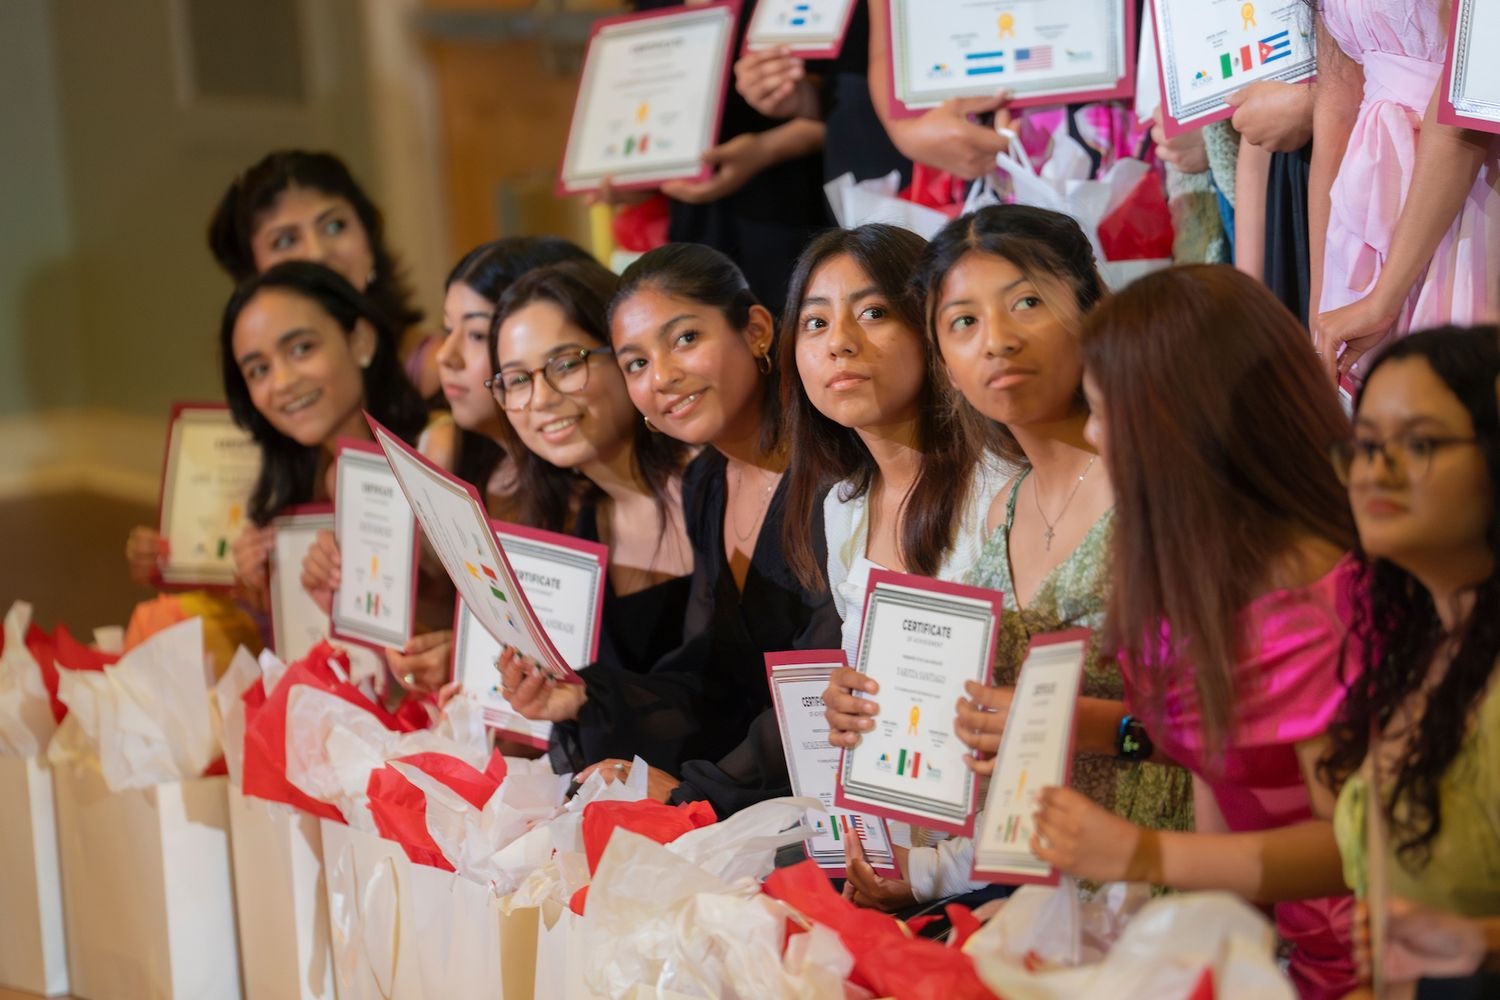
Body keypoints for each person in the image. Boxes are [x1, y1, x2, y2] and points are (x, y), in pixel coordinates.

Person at [823, 205, 1193, 910]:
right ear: (947, 367)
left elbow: (1240, 732)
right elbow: (1003, 763)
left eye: (1027, 302)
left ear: (1092, 310)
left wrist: (1074, 724)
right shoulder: (1004, 511)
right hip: (1044, 892)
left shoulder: (1159, 484)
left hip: (1174, 879)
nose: (998, 341)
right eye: (963, 322)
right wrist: (875, 710)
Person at [1028, 265, 1360, 998]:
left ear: (1182, 420)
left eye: (1102, 411)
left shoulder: (1317, 601)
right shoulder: (1203, 556)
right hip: (1265, 951)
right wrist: (1073, 726)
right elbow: (1217, 755)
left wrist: (1147, 854)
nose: (1090, 435)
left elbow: (1356, 846)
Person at [499, 244, 841, 808]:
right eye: (636, 362)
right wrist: (587, 697)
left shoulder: (833, 479)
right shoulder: (708, 480)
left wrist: (695, 794)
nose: (662, 377)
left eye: (685, 339)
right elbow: (710, 678)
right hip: (759, 794)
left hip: (827, 804)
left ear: (756, 330)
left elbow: (820, 696)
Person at [1320, 326, 1500, 997]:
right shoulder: (1421, 648)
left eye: (1418, 443)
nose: (1376, 471)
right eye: (1365, 447)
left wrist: (1479, 944)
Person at [488, 258, 694, 772]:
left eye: (564, 364)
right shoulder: (575, 527)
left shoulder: (712, 487)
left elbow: (737, 695)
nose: (541, 399)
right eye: (516, 380)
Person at [1309, 0, 1500, 381]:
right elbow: (1336, 106)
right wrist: (1318, 308)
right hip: (1360, 207)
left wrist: (1384, 298)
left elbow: (1465, 121)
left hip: (1472, 194)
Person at [217, 261, 427, 606]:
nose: (282, 382)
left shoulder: (435, 455)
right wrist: (266, 587)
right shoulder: (297, 493)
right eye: (259, 370)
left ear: (361, 341)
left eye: (301, 348)